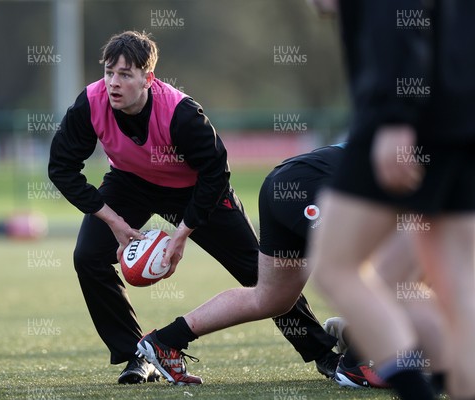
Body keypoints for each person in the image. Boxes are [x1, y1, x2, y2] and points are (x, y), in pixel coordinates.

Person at [48, 30, 338, 385]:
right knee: (88, 257)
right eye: (109, 72)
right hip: (129, 183)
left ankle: (324, 353)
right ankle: (135, 356)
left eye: (125, 74)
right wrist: (112, 220)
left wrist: (182, 233)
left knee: (261, 273)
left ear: (148, 79)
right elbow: (61, 168)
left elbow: (216, 173)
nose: (113, 83)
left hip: (195, 188)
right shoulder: (90, 103)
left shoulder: (181, 113)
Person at [309, 1, 475, 399]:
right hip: (461, 106)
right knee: (456, 284)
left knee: (335, 266)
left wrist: (395, 114)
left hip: (414, 116)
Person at [136, 144, 344, 384]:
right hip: (305, 186)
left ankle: (166, 340)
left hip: (283, 182)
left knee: (271, 298)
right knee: (350, 268)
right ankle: (358, 361)